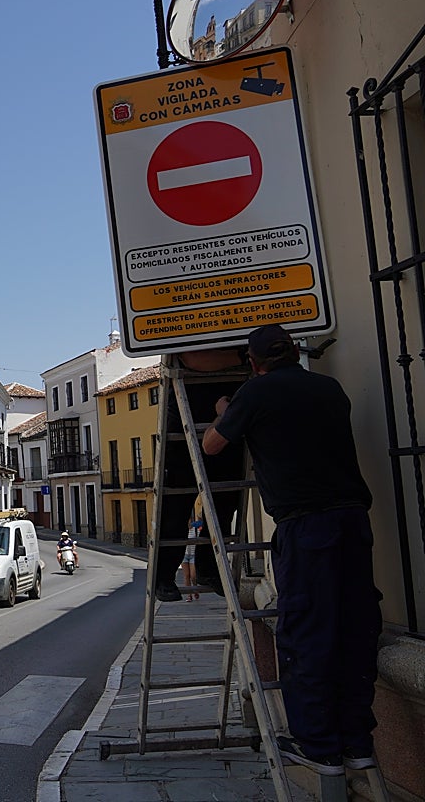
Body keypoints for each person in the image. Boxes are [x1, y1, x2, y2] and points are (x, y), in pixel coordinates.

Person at [202, 324, 382, 777]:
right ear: (295, 354)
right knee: (355, 628)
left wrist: (225, 408)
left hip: (306, 527)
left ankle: (318, 747)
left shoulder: (255, 393)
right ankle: (357, 742)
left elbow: (213, 443)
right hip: (353, 521)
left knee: (307, 632)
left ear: (254, 361)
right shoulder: (330, 389)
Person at [154, 348, 247, 603]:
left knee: (225, 503)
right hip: (186, 419)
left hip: (226, 420)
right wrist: (241, 357)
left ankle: (210, 569)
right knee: (176, 506)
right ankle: (163, 577)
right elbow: (190, 357)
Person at [181, 495, 203, 601]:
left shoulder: (196, 529)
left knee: (193, 576)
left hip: (194, 554)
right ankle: (189, 595)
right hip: (184, 555)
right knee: (186, 575)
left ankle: (195, 589)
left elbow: (202, 524)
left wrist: (199, 518)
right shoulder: (182, 531)